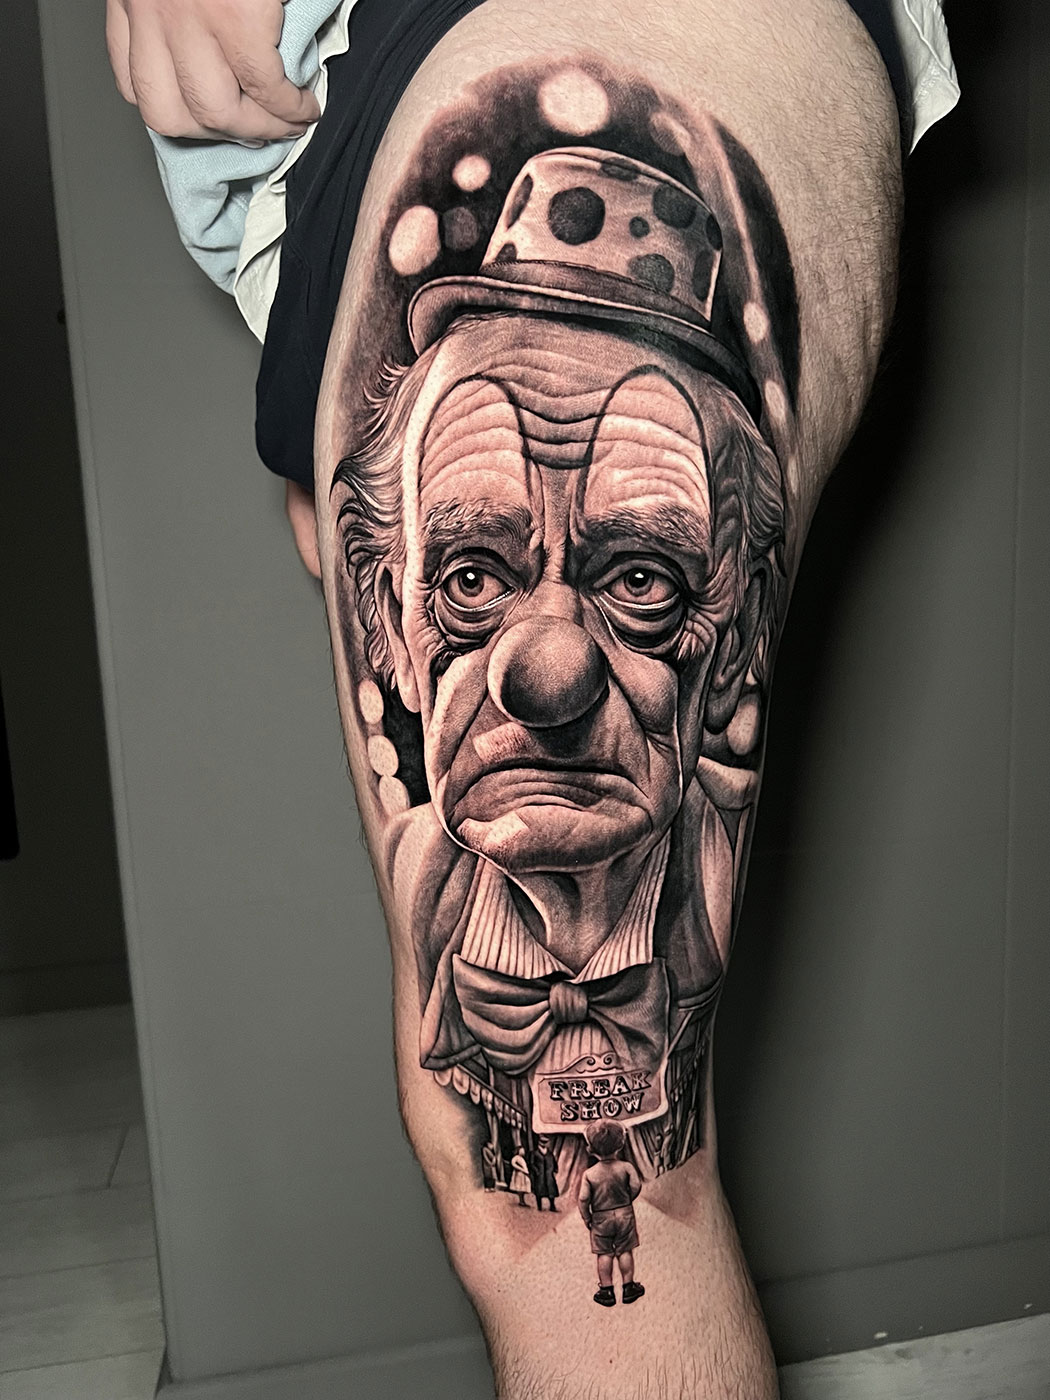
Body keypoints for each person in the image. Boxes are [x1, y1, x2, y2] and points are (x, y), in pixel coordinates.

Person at [107, 2, 958, 1396]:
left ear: (719, 642)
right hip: (291, 167)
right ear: (401, 619)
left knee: (569, 1222)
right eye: (470, 576)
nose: (548, 671)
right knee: (504, 1183)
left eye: (640, 578)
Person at [578, 1121, 644, 1307]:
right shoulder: (626, 1167)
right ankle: (628, 1287)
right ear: (620, 1144)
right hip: (624, 1213)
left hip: (600, 1217)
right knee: (625, 1250)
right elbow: (636, 1185)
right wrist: (627, 1199)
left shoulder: (589, 1174)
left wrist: (587, 1217)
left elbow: (583, 1199)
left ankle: (606, 1290)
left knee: (604, 1254)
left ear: (591, 1149)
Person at [530, 1136, 559, 1211]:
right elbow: (531, 1164)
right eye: (542, 1142)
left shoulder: (550, 1153)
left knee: (551, 1191)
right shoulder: (535, 1153)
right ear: (539, 1142)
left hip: (549, 1175)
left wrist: (555, 1170)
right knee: (539, 1191)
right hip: (540, 1176)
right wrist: (537, 1171)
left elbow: (554, 1162)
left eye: (545, 1142)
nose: (544, 1144)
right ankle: (539, 1207)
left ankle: (552, 1206)